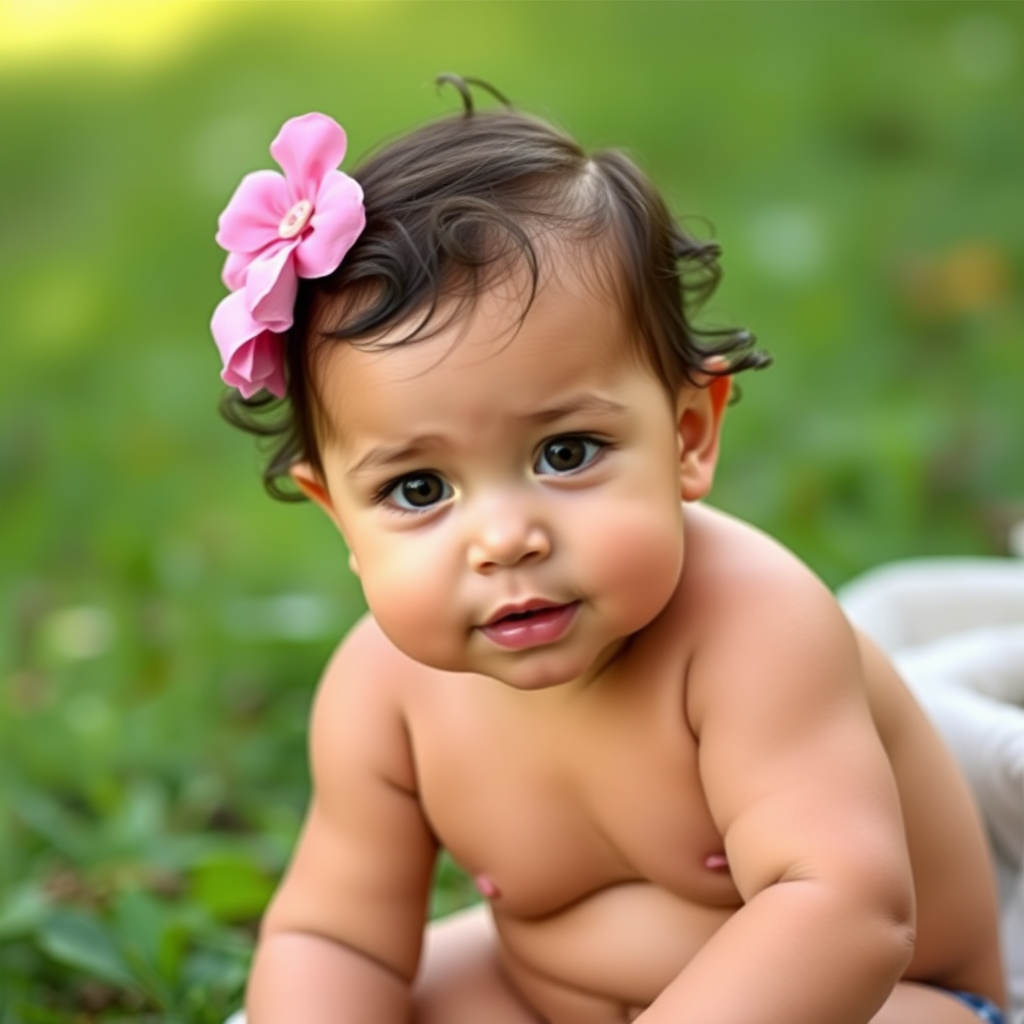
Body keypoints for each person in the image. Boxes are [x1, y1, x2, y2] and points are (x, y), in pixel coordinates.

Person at [210, 77, 1007, 1024]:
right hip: (548, 994)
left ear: (687, 435)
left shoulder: (754, 632)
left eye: (565, 453)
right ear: (339, 515)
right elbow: (333, 937)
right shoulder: (382, 697)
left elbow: (847, 913)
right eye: (418, 490)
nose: (505, 538)